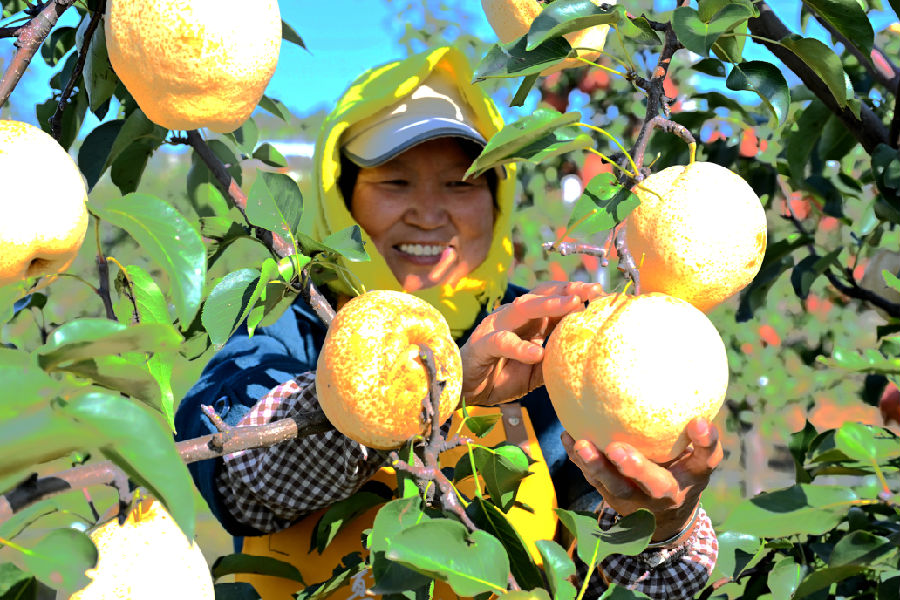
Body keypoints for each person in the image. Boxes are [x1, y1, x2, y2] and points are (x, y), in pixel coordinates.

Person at [174, 46, 721, 600]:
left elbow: (620, 571)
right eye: (395, 182)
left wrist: (659, 527)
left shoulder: (545, 340)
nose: (429, 213)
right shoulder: (288, 325)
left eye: (460, 184)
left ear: (496, 198)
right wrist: (427, 384)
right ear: (342, 196)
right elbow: (236, 476)